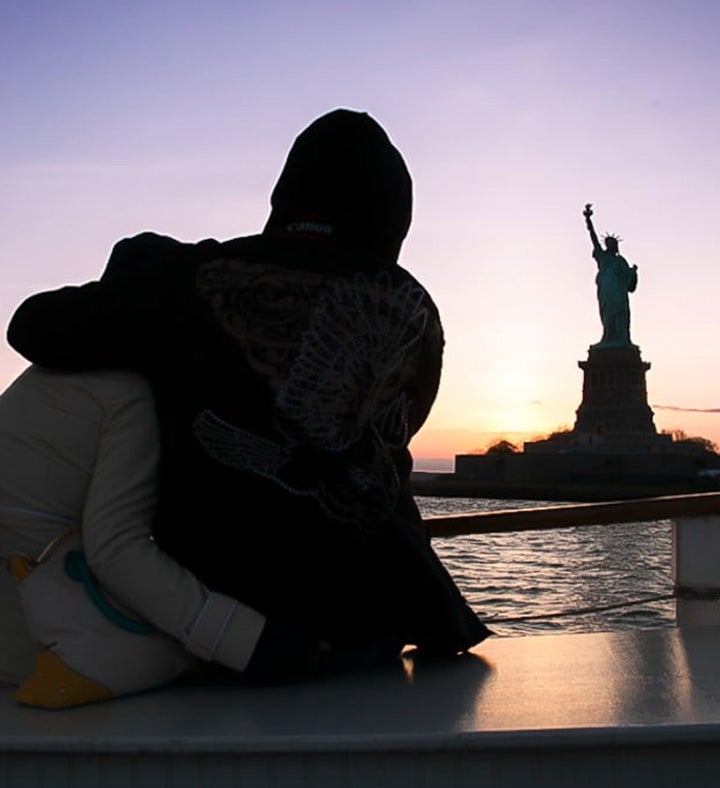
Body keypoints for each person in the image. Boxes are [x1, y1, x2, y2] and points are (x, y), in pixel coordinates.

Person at [7, 109, 490, 676]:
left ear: (283, 197)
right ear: (393, 223)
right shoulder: (418, 315)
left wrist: (144, 273)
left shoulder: (190, 278)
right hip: (378, 622)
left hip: (231, 627)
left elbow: (32, 326)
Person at [0, 365, 318, 704]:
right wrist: (257, 646)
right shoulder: (127, 393)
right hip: (49, 655)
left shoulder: (48, 383)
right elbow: (116, 550)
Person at [583, 203, 638, 347]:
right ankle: (608, 337)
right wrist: (588, 220)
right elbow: (593, 238)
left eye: (613, 244)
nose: (612, 246)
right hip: (606, 291)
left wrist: (633, 273)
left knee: (621, 314)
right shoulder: (602, 257)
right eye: (609, 244)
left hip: (619, 293)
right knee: (608, 316)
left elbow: (629, 283)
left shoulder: (620, 261)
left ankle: (621, 339)